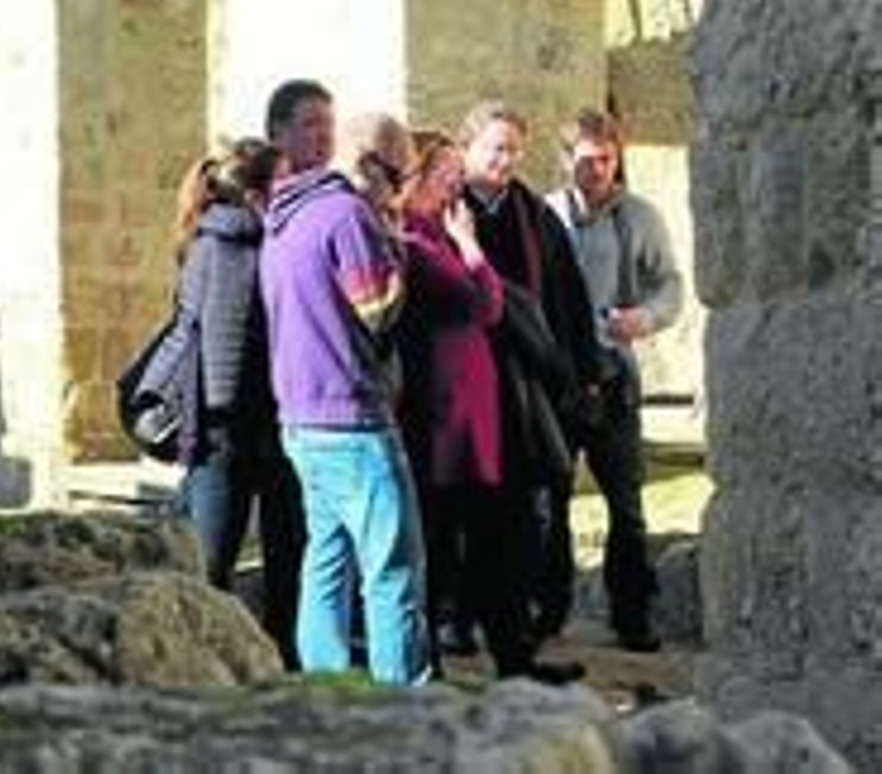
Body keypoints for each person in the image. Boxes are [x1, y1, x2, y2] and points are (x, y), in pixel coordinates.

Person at [259, 81, 430, 685]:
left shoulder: (279, 216)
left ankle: (325, 690)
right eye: (309, 124)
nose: (323, 135)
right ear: (277, 135)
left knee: (327, 559)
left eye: (328, 123)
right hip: (351, 415)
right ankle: (405, 706)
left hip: (301, 419)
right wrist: (394, 243)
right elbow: (380, 305)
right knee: (392, 571)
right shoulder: (340, 212)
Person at [456, 100, 601, 684]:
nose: (505, 160)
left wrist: (582, 372)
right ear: (468, 149)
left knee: (516, 523)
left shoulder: (535, 218)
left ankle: (515, 649)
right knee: (457, 523)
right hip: (461, 395)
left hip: (521, 396)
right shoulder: (445, 211)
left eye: (514, 149)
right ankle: (454, 624)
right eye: (494, 147)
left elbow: (567, 302)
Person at [539, 108, 682, 652]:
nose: (598, 170)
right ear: (565, 161)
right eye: (586, 160)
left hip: (614, 375)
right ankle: (546, 611)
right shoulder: (546, 216)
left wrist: (645, 319)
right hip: (557, 380)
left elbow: (668, 281)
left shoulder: (639, 216)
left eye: (606, 159)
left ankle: (631, 615)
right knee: (549, 502)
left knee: (626, 504)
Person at [165, 137, 305, 669]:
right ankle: (234, 658)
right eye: (284, 182)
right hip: (240, 423)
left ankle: (247, 658)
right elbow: (234, 344)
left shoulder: (210, 239)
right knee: (221, 560)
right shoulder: (237, 246)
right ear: (256, 194)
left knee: (247, 554)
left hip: (236, 423)